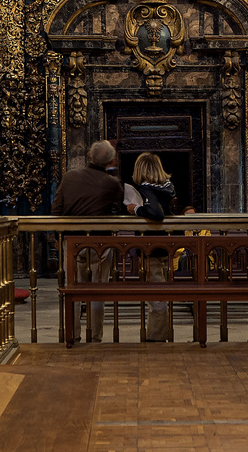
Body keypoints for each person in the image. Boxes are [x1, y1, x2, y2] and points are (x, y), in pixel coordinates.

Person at [53, 140, 125, 342]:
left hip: (72, 242)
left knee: (72, 291)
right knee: (97, 291)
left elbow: (56, 209)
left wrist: (57, 238)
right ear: (110, 160)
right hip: (100, 242)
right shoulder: (112, 183)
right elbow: (117, 211)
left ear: (89, 156)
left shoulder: (69, 177)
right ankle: (95, 337)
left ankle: (72, 335)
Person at [129, 153, 191, 341]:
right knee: (162, 292)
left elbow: (156, 213)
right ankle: (160, 334)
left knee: (156, 296)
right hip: (168, 245)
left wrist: (136, 209)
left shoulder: (146, 189)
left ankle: (156, 338)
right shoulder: (169, 188)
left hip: (151, 247)